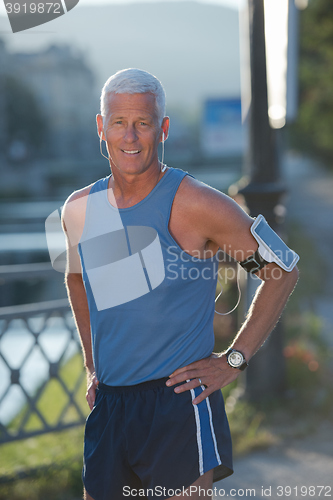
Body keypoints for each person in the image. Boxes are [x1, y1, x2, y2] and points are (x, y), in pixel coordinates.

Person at [61, 68, 298, 500]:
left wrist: (234, 360)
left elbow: (281, 271)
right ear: (101, 127)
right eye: (119, 122)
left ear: (163, 128)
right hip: (110, 407)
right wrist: (92, 363)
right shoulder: (78, 209)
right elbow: (77, 280)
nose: (130, 138)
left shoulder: (198, 204)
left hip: (177, 404)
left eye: (143, 123)